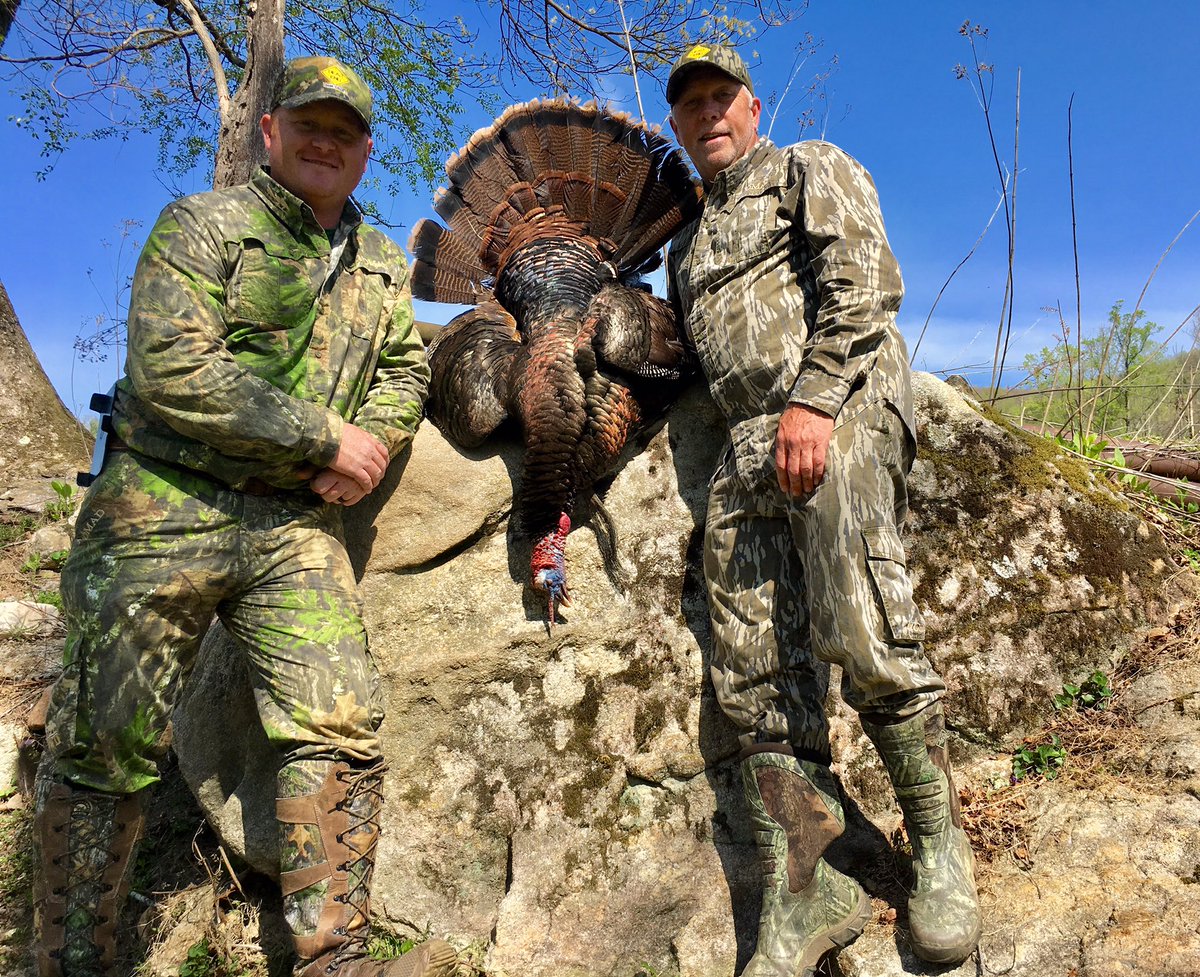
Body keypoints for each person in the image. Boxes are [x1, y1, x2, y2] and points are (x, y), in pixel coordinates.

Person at [32, 56, 456, 977]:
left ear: (365, 152)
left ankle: (330, 955)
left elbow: (404, 372)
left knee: (341, 727)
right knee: (104, 740)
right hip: (161, 506)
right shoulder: (202, 224)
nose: (323, 142)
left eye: (343, 133)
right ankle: (71, 961)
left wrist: (370, 445)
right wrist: (321, 440)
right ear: (268, 131)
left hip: (291, 529)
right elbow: (171, 366)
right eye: (307, 123)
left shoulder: (382, 264)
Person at [664, 44, 982, 973]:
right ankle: (811, 886)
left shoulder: (810, 167)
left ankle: (940, 847)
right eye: (691, 107)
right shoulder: (687, 245)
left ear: (752, 109)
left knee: (860, 619)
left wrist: (815, 399)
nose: (708, 115)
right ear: (679, 126)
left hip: (835, 404)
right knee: (752, 669)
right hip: (746, 441)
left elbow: (866, 284)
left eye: (723, 98)